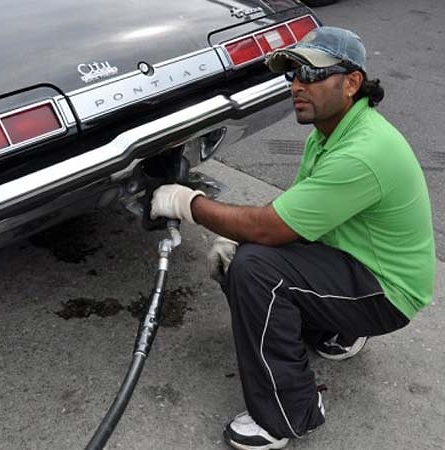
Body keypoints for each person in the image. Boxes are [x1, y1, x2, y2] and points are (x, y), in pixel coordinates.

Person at [150, 26, 436, 450]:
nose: (298, 86)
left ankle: (286, 413)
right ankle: (337, 330)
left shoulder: (362, 152)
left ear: (352, 82)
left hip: (388, 293)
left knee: (254, 269)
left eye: (313, 75)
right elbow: (296, 213)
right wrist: (239, 233)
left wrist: (186, 203)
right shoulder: (330, 132)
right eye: (293, 75)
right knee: (253, 251)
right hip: (361, 266)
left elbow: (269, 228)